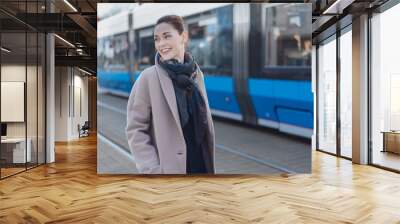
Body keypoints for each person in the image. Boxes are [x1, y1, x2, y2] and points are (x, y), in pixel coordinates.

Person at [125, 15, 215, 174]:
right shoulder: (148, 78)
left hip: (201, 165)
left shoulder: (196, 74)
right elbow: (135, 130)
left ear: (184, 37)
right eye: (157, 39)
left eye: (167, 36)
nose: (161, 44)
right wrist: (152, 169)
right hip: (170, 172)